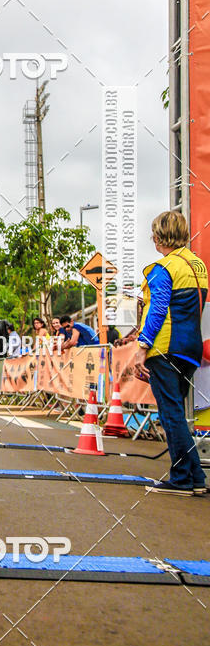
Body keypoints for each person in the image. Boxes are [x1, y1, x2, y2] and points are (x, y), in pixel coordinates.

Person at [133, 211, 208, 496]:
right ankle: (197, 477)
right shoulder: (197, 265)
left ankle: (181, 478)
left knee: (171, 414)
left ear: (158, 236)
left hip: (165, 347)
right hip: (191, 348)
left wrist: (142, 347)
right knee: (176, 413)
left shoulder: (162, 268)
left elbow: (157, 309)